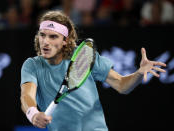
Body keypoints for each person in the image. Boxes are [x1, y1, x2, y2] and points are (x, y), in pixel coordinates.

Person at [20, 11, 166, 131]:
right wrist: (33, 114)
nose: (45, 42)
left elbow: (122, 85)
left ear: (65, 40)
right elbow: (27, 96)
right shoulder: (32, 65)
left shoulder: (83, 56)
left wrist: (139, 73)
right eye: (42, 35)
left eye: (53, 36)